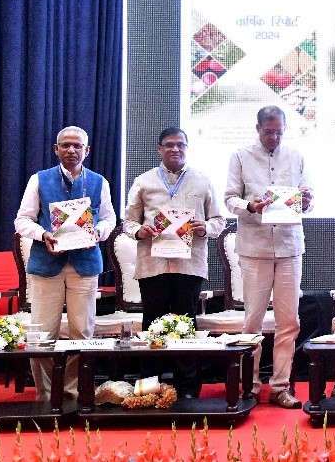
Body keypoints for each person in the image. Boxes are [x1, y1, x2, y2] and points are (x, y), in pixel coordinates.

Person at [14, 126, 116, 401]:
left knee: (82, 333)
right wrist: (43, 234)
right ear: (56, 149)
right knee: (41, 335)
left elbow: (109, 218)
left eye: (77, 146)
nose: (71, 150)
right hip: (47, 264)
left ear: (87, 150)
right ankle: (46, 395)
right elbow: (22, 220)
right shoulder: (39, 179)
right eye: (65, 145)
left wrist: (98, 233)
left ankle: (72, 393)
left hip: (85, 264)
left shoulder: (99, 182)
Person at [122, 126, 225, 398]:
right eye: (169, 144)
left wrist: (205, 227)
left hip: (189, 265)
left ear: (187, 148)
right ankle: (149, 388)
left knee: (186, 324)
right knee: (152, 324)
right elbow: (128, 222)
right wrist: (139, 231)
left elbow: (219, 220)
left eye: (180, 144)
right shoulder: (143, 182)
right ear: (159, 149)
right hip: (153, 264)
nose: (175, 149)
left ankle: (187, 389)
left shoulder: (202, 181)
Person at [224, 105, 314, 409]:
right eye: (268, 131)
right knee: (253, 320)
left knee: (289, 321)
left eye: (279, 132)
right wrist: (251, 206)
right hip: (255, 248)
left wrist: (307, 200)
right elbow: (229, 199)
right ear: (257, 128)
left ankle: (280, 387)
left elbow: (309, 199)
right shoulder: (240, 156)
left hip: (289, 247)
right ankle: (250, 386)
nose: (274, 137)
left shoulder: (297, 156)